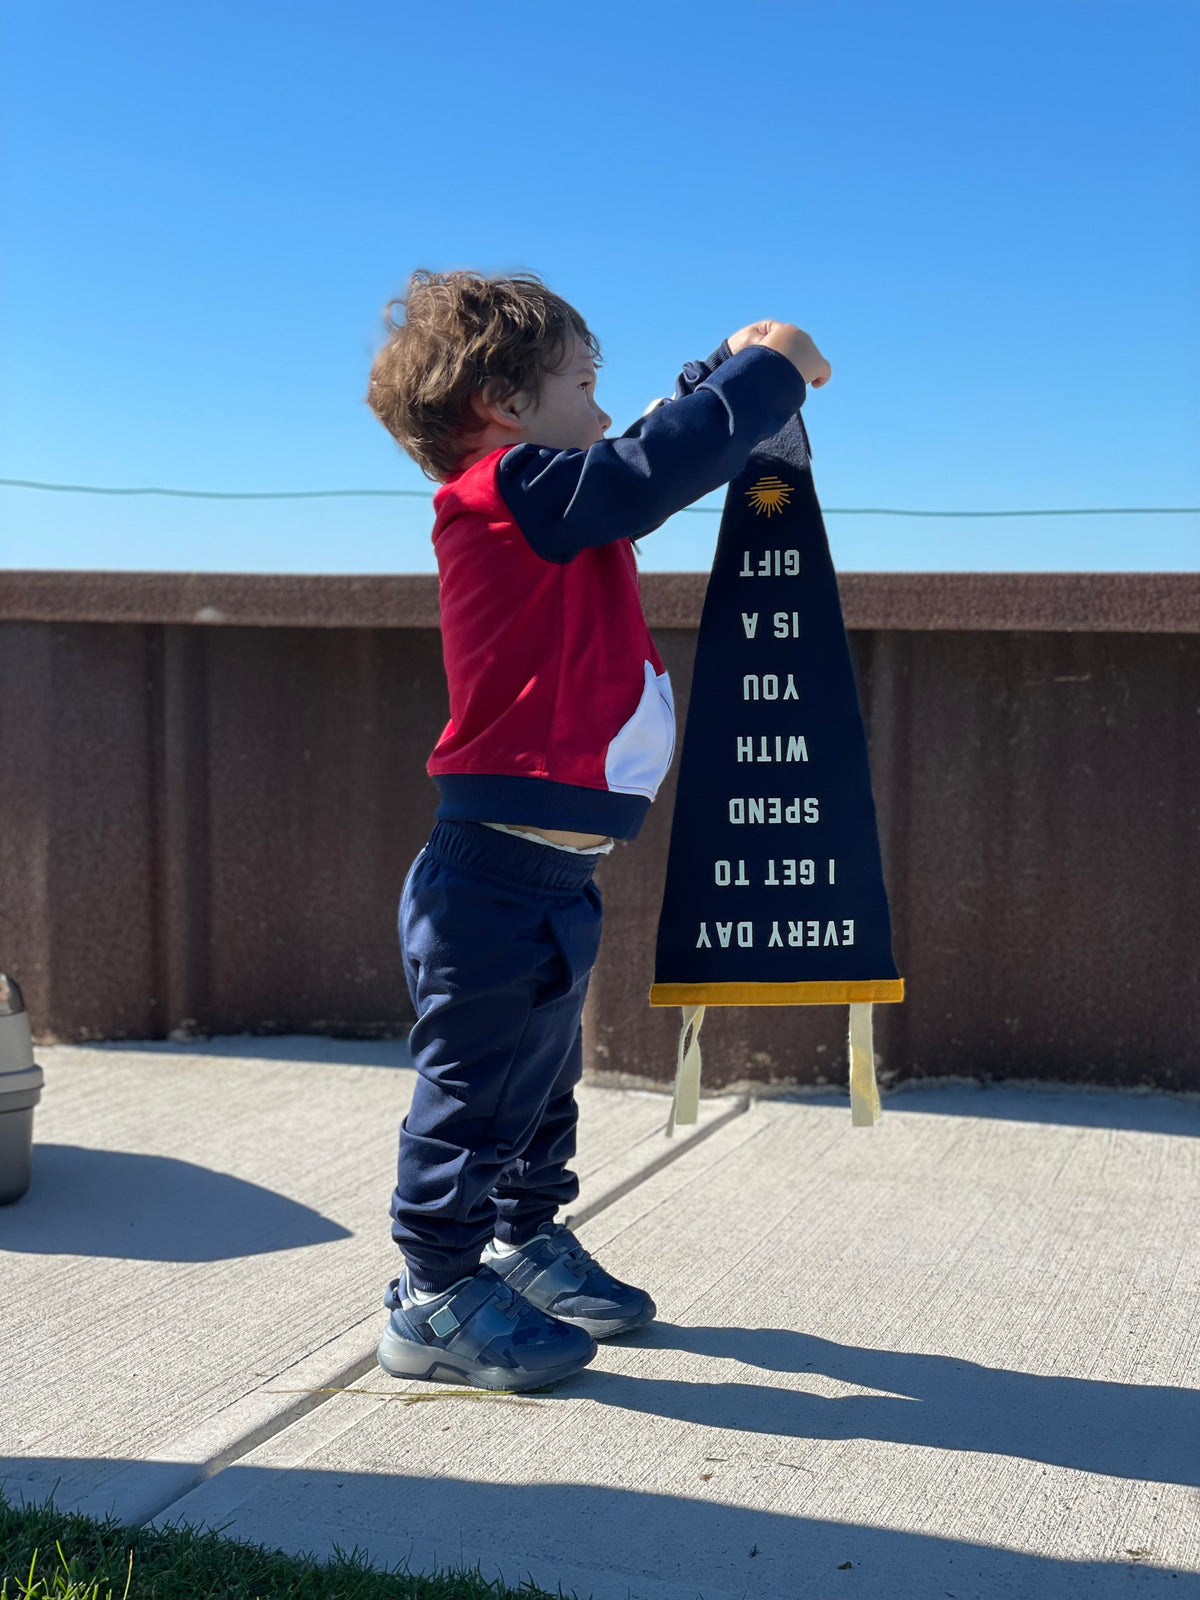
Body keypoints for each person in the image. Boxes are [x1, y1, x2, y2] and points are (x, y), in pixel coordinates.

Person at [364, 269, 828, 1390]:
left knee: (539, 1080)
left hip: (553, 872)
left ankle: (522, 1243)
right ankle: (430, 1295)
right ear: (505, 406)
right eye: (585, 384)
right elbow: (645, 470)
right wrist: (771, 371)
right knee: (472, 1087)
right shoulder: (502, 491)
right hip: (488, 874)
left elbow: (650, 452)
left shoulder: (551, 500)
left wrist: (714, 381)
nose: (605, 410)